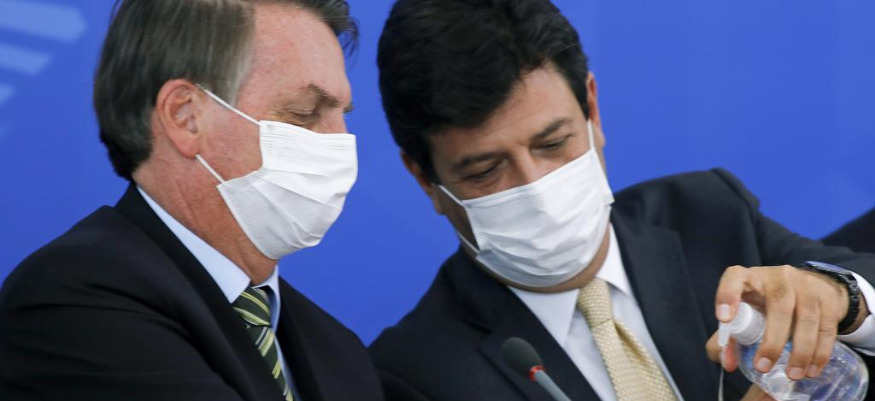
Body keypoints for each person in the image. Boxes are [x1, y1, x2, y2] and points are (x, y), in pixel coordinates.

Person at [368, 0, 875, 400]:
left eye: (553, 143)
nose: (536, 187)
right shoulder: (412, 375)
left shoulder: (704, 213)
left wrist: (841, 301)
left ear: (591, 108)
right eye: (484, 171)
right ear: (425, 179)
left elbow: (860, 281)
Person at [0, 1, 383, 400]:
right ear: (185, 116)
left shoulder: (338, 349)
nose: (340, 143)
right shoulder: (76, 298)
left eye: (343, 115)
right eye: (304, 113)